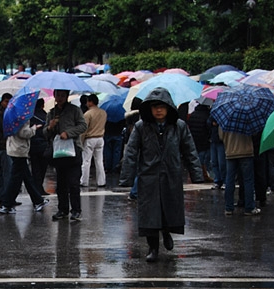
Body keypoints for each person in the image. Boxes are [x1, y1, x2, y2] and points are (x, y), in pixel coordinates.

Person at [119, 88, 203, 261]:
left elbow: (189, 150)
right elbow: (131, 152)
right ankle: (153, 248)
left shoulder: (179, 126)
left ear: (168, 108)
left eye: (162, 106)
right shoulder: (141, 127)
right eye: (155, 107)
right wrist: (127, 178)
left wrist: (197, 175)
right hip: (148, 176)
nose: (158, 110)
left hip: (171, 174)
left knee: (168, 209)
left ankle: (166, 231)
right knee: (150, 213)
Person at [44, 89, 87, 221]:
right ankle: (62, 209)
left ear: (67, 96)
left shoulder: (75, 110)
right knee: (61, 183)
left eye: (63, 95)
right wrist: (50, 127)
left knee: (73, 183)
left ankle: (76, 210)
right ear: (54, 96)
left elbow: (83, 126)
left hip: (73, 150)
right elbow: (45, 133)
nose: (60, 98)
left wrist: (68, 133)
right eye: (58, 95)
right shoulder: (51, 113)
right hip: (58, 152)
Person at [0, 119, 49, 214]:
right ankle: (6, 204)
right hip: (19, 149)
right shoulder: (22, 118)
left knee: (26, 177)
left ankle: (38, 200)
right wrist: (34, 128)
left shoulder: (13, 117)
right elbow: (24, 133)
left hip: (14, 147)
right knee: (15, 179)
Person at [220, 127, 259, 215]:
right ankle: (249, 207)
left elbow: (221, 136)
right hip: (246, 151)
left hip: (230, 151)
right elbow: (254, 133)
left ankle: (228, 207)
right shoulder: (247, 120)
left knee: (230, 180)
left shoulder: (226, 120)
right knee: (248, 181)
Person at [80, 93, 107, 188]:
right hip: (100, 137)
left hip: (90, 138)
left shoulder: (88, 114)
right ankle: (101, 181)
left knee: (86, 161)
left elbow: (84, 129)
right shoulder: (103, 112)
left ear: (90, 102)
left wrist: (81, 141)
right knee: (99, 161)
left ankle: (84, 181)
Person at [0, 93, 13, 205]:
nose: (8, 104)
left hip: (4, 145)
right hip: (3, 146)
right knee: (7, 172)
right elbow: (6, 129)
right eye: (6, 101)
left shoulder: (5, 113)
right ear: (2, 101)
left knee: (2, 171)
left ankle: (1, 195)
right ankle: (7, 198)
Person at [28, 98, 49, 195]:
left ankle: (36, 188)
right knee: (42, 168)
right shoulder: (46, 116)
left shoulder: (30, 116)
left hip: (33, 145)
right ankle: (39, 187)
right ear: (42, 105)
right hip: (43, 145)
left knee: (35, 168)